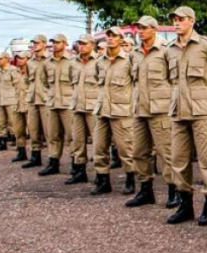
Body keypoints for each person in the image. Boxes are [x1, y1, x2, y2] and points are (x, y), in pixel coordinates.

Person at [166, 6, 207, 227]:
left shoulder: (206, 45)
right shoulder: (169, 49)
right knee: (179, 160)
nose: (176, 23)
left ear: (192, 21)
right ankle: (185, 204)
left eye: (181, 19)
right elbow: (168, 77)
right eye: (174, 19)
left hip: (203, 110)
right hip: (178, 109)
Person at [126, 16, 177, 208]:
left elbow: (174, 79)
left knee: (167, 153)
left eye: (144, 28)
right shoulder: (135, 53)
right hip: (140, 109)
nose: (140, 30)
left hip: (160, 110)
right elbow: (134, 79)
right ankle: (145, 190)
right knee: (139, 151)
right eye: (138, 27)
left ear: (154, 29)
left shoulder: (165, 51)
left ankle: (174, 191)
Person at [91, 27, 136, 195]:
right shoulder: (100, 61)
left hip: (121, 111)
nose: (110, 38)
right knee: (99, 148)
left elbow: (135, 82)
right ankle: (103, 181)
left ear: (121, 39)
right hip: (102, 109)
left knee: (126, 149)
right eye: (108, 35)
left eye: (114, 36)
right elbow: (98, 80)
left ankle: (130, 179)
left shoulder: (128, 61)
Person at [38, 34, 75, 176]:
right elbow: (45, 82)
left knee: (71, 136)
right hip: (53, 103)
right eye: (53, 42)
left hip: (67, 103)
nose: (55, 45)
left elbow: (74, 82)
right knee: (53, 135)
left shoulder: (72, 61)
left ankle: (75, 164)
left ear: (65, 44)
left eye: (58, 42)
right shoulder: (47, 63)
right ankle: (53, 163)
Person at [66, 35, 99, 184]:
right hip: (77, 106)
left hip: (93, 107)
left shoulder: (99, 62)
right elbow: (70, 82)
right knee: (77, 141)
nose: (82, 46)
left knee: (98, 142)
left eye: (85, 43)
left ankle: (101, 174)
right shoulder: (73, 63)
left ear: (92, 45)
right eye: (80, 43)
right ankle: (80, 172)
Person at [21, 36, 50, 169]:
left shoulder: (50, 60)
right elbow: (27, 80)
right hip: (33, 99)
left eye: (37, 43)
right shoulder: (30, 62)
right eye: (33, 43)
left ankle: (53, 160)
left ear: (44, 44)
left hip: (46, 100)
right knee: (33, 130)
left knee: (50, 132)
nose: (35, 45)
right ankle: (35, 157)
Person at [0, 53, 22, 153]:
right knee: (1, 123)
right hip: (0, 99)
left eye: (1, 58)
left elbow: (18, 86)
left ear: (7, 59)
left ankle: (19, 143)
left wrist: (17, 99)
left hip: (10, 100)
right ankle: (2, 143)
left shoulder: (13, 70)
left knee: (13, 122)